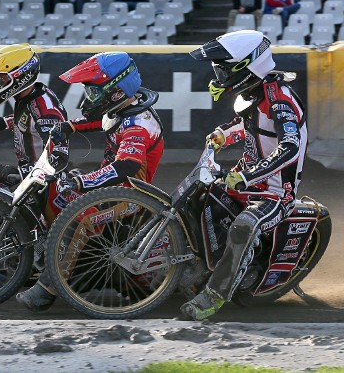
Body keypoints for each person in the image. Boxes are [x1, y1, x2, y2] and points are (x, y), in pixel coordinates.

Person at [16, 51, 165, 312]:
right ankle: (46, 253)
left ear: (116, 90)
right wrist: (69, 127)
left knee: (84, 220)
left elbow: (126, 166)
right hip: (111, 190)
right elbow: (102, 120)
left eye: (94, 92)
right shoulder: (123, 107)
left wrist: (84, 182)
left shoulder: (139, 123)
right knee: (53, 190)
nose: (90, 98)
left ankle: (47, 288)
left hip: (130, 198)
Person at [180, 30, 307, 321]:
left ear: (247, 67)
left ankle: (215, 295)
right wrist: (223, 135)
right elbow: (248, 126)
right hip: (246, 178)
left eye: (223, 70)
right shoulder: (254, 92)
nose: (219, 77)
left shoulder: (280, 101)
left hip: (275, 192)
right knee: (198, 198)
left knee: (243, 226)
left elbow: (289, 147)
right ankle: (198, 265)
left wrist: (250, 176)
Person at [0, 43, 69, 191]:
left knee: (3, 208)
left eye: (1, 80)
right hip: (31, 176)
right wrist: (5, 122)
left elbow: (60, 155)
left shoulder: (45, 108)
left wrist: (20, 173)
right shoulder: (29, 97)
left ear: (19, 76)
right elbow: (31, 119)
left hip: (46, 185)